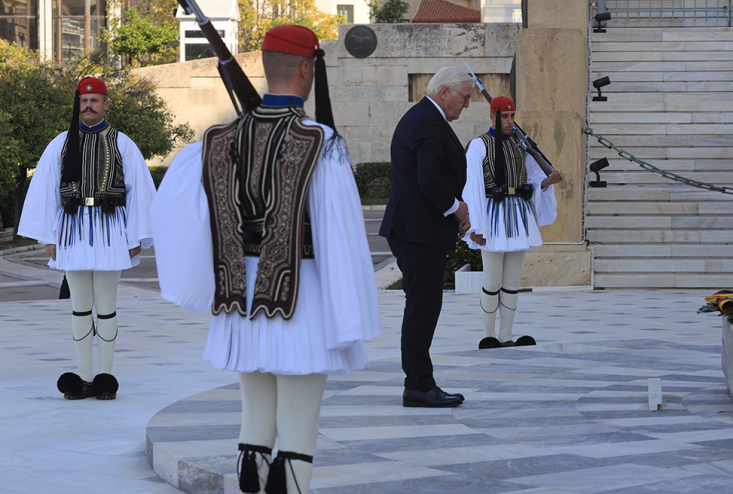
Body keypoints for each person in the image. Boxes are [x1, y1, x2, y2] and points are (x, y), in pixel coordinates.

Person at [150, 25, 381, 494]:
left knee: (254, 426)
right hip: (303, 298)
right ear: (306, 69)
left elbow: (178, 214)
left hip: (240, 297)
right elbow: (339, 235)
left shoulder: (216, 140)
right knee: (298, 431)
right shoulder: (319, 142)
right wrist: (349, 312)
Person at [19, 77, 156, 400]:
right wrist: (48, 236)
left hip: (111, 229)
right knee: (80, 308)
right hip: (71, 229)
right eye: (84, 101)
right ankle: (83, 378)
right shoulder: (61, 143)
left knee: (106, 307)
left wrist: (135, 235)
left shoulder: (123, 143)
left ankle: (105, 377)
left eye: (95, 101)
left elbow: (139, 190)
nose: (88, 106)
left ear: (106, 104)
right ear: (78, 104)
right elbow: (45, 190)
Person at [379, 67, 472, 408]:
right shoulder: (426, 122)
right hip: (417, 230)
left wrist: (453, 213)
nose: (466, 105)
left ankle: (419, 382)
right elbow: (429, 179)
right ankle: (418, 385)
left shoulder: (426, 118)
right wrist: (457, 209)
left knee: (425, 304)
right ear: (445, 92)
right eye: (464, 98)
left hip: (421, 229)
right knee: (422, 306)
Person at [461, 96, 562, 349]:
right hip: (492, 216)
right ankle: (488, 335)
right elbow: (472, 188)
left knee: (512, 282)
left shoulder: (519, 145)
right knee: (492, 280)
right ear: (492, 116)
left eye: (512, 116)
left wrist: (547, 182)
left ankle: (505, 336)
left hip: (518, 215)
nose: (509, 121)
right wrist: (475, 227)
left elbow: (533, 177)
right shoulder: (478, 145)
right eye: (504, 116)